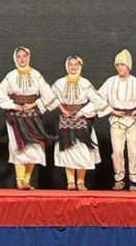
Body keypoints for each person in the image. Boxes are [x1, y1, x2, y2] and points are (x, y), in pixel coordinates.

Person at [0, 46, 55, 190]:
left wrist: (34, 104)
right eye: (18, 56)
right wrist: (12, 105)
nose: (22, 59)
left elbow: (49, 95)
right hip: (15, 116)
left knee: (34, 147)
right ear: (15, 59)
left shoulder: (36, 75)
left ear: (28, 57)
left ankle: (26, 180)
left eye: (24, 56)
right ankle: (20, 181)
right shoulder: (11, 76)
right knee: (18, 146)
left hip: (32, 115)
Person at [46, 56, 109, 191]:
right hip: (66, 119)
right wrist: (62, 109)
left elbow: (98, 100)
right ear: (66, 66)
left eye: (76, 64)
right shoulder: (59, 83)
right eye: (70, 64)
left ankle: (80, 182)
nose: (73, 67)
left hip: (81, 119)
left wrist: (83, 112)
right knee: (68, 150)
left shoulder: (85, 83)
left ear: (80, 67)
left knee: (82, 150)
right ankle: (70, 182)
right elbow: (49, 97)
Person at [99, 49, 136, 191]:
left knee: (133, 151)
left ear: (129, 66)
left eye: (122, 65)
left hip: (132, 120)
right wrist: (111, 110)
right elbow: (98, 98)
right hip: (116, 120)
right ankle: (119, 179)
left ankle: (133, 181)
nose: (120, 67)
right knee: (117, 151)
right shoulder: (110, 82)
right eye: (117, 65)